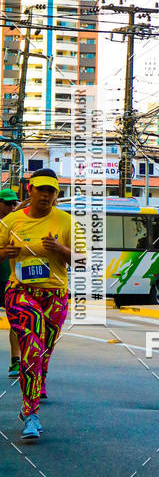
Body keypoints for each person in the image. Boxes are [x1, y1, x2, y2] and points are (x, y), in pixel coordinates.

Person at [0, 169, 71, 440]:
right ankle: (30, 414)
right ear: (29, 190)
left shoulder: (65, 221)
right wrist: (3, 253)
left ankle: (37, 383)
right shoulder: (11, 221)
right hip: (21, 291)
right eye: (41, 189)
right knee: (32, 344)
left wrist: (60, 249)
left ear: (56, 195)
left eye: (51, 191)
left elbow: (82, 260)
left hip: (55, 295)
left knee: (44, 350)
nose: (46, 195)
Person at [0, 190, 22, 376]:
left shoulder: (15, 224)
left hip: (10, 281)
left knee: (15, 322)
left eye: (14, 204)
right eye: (8, 204)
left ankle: (15, 362)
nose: (11, 207)